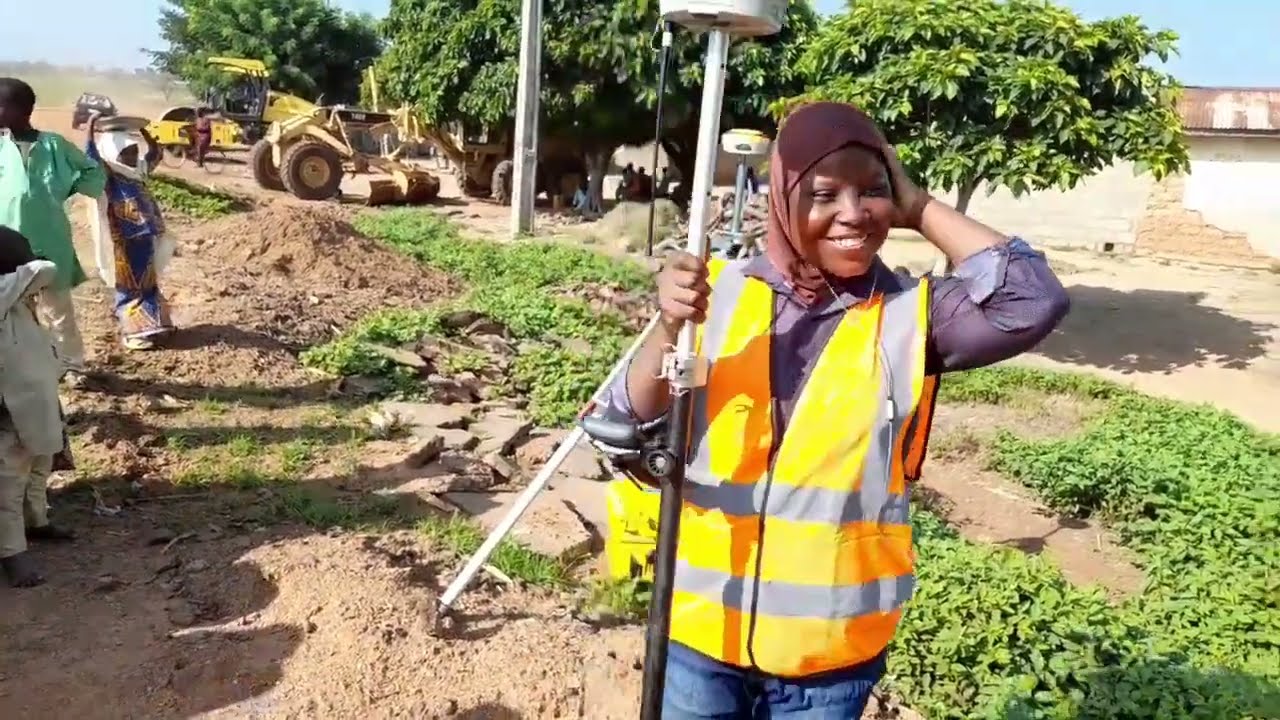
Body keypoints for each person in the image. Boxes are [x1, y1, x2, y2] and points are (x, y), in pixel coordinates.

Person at [597, 101, 1070, 718]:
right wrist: (666, 329)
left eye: (874, 191)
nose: (854, 213)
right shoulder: (716, 292)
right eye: (824, 194)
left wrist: (919, 204)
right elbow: (620, 424)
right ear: (782, 200)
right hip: (699, 635)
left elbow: (1032, 300)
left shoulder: (913, 314)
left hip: (829, 660)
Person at [0, 77, 108, 387]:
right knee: (15, 311)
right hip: (7, 243)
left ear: (18, 110)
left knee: (58, 309)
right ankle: (26, 365)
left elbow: (91, 170)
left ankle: (71, 365)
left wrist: (69, 186)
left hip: (49, 239)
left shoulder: (53, 145)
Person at [0, 225, 75, 588]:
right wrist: (29, 266)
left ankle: (38, 523)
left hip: (34, 401)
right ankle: (12, 554)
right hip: (11, 407)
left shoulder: (16, 303)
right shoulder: (4, 292)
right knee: (8, 481)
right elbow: (44, 271)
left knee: (37, 466)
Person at [85, 119, 176, 350]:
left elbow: (155, 154)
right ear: (114, 154)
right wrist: (90, 130)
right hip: (124, 241)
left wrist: (145, 134)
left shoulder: (137, 171)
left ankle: (154, 325)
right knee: (129, 286)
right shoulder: (107, 174)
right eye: (127, 152)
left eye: (134, 151)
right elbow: (91, 158)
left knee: (148, 282)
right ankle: (133, 333)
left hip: (146, 236)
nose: (133, 156)